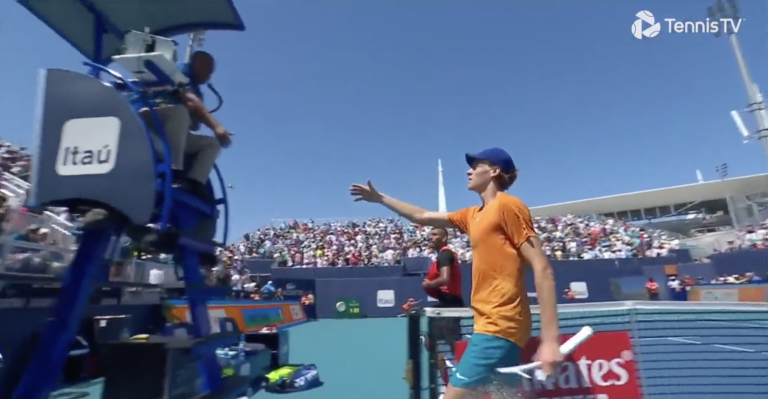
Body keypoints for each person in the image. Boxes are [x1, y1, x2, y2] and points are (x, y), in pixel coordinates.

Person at [350, 147, 561, 398]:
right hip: (491, 324)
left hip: (499, 326)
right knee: (503, 395)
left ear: (493, 171)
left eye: (475, 166)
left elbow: (542, 268)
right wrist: (381, 198)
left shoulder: (509, 206)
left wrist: (550, 341)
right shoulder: (471, 216)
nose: (468, 171)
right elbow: (422, 216)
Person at [144, 51, 232, 200]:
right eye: (209, 71)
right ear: (197, 64)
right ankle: (173, 172)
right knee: (180, 111)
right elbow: (189, 100)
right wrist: (217, 126)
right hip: (151, 120)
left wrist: (198, 117)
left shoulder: (197, 90)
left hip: (172, 132)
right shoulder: (179, 70)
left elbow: (194, 122)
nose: (209, 76)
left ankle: (195, 182)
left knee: (212, 144)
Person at [422, 227, 464, 308]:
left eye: (434, 235)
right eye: (430, 235)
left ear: (444, 238)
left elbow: (445, 279)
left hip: (451, 302)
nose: (431, 237)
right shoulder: (442, 255)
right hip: (447, 300)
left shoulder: (445, 254)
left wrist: (429, 284)